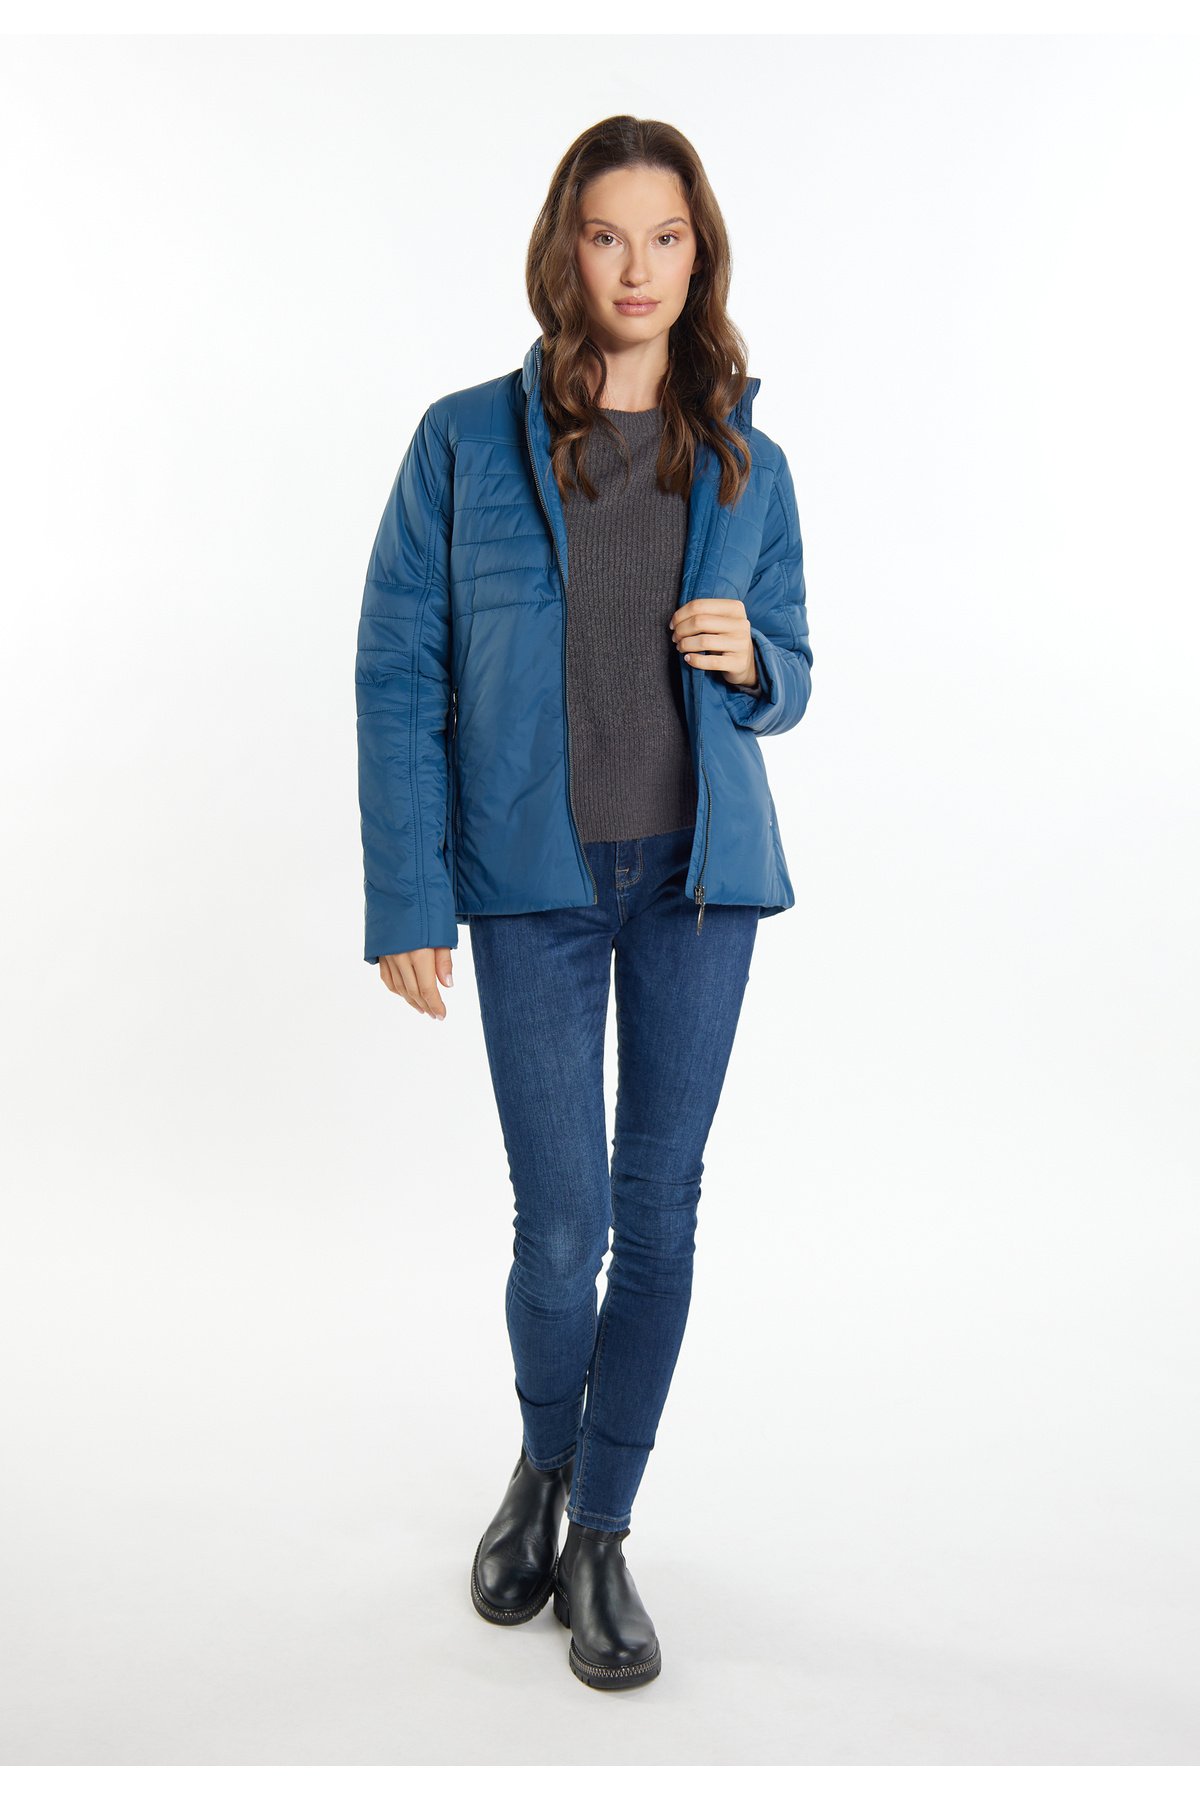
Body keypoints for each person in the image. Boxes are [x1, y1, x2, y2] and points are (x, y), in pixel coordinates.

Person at [355, 114, 812, 1692]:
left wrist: (755, 660)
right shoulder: (463, 443)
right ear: (568, 249)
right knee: (561, 1230)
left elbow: (793, 666)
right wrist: (409, 891)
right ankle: (543, 1463)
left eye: (666, 238)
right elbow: (398, 668)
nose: (637, 267)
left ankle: (603, 1528)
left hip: (697, 884)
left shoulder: (748, 460)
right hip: (531, 887)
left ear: (700, 255)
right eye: (609, 235)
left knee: (659, 1214)